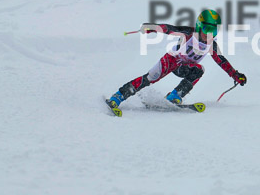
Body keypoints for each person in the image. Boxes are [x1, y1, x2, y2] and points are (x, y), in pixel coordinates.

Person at [106, 9, 247, 116]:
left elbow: (222, 62)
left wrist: (235, 75)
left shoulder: (211, 45)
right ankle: (118, 97)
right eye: (206, 29)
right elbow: (170, 29)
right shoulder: (189, 33)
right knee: (149, 78)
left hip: (186, 68)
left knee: (199, 69)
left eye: (213, 30)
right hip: (171, 60)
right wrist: (153, 27)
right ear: (199, 26)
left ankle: (175, 96)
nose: (209, 34)